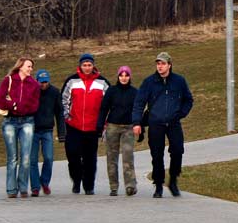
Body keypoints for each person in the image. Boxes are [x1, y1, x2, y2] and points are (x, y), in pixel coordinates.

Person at [132, 52, 194, 198]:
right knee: (157, 154)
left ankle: (173, 180)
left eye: (163, 63)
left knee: (178, 150)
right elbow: (139, 102)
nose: (160, 66)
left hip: (173, 122)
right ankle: (158, 185)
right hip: (155, 123)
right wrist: (136, 122)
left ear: (169, 65)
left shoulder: (179, 81)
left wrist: (181, 113)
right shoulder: (149, 82)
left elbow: (188, 100)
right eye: (158, 64)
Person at [60, 52, 110, 195]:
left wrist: (103, 123)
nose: (87, 68)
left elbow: (108, 105)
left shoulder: (102, 83)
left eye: (89, 65)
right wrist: (67, 117)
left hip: (92, 127)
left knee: (90, 159)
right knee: (73, 155)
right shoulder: (72, 81)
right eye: (84, 65)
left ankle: (89, 186)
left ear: (93, 66)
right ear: (80, 66)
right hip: (74, 126)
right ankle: (76, 180)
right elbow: (63, 101)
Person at [0, 57, 41, 199]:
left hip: (27, 121)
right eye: (28, 66)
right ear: (20, 66)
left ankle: (23, 187)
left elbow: (34, 105)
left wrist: (20, 108)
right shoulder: (8, 80)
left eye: (32, 67)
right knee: (12, 157)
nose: (30, 69)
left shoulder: (34, 85)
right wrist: (13, 105)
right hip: (10, 121)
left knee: (26, 157)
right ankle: (11, 189)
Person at [98, 65, 140, 197]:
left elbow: (138, 110)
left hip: (128, 127)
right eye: (121, 75)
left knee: (128, 155)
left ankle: (130, 185)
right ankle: (114, 186)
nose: (124, 77)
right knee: (111, 157)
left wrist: (139, 126)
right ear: (118, 76)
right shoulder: (112, 91)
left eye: (126, 75)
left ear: (130, 77)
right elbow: (104, 108)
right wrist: (100, 125)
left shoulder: (134, 92)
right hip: (112, 126)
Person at [29, 69, 65, 196]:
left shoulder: (54, 92)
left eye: (45, 82)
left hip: (47, 130)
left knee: (49, 158)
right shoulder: (32, 92)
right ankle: (35, 186)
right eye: (41, 82)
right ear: (36, 81)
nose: (43, 84)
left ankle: (45, 182)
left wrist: (61, 133)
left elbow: (59, 113)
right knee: (32, 160)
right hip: (33, 130)